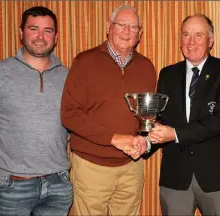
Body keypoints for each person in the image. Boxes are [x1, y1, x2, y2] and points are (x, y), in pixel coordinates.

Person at [60, 4, 156, 216]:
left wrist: (144, 141)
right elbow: (69, 114)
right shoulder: (84, 62)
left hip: (132, 166)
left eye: (133, 27)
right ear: (108, 27)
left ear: (140, 34)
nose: (126, 31)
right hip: (91, 166)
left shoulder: (147, 67)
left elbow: (147, 118)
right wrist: (113, 138)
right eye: (121, 24)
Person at [0, 6, 73, 216]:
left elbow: (78, 121)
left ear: (56, 37)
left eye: (47, 30)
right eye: (33, 29)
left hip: (58, 184)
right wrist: (4, 147)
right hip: (12, 186)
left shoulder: (69, 77)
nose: (40, 37)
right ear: (21, 33)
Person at [147, 14, 220, 216]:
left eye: (199, 35)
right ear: (180, 40)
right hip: (175, 176)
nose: (191, 41)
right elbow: (160, 121)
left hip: (215, 175)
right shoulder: (167, 74)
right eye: (186, 35)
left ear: (211, 41)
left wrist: (175, 134)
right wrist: (145, 142)